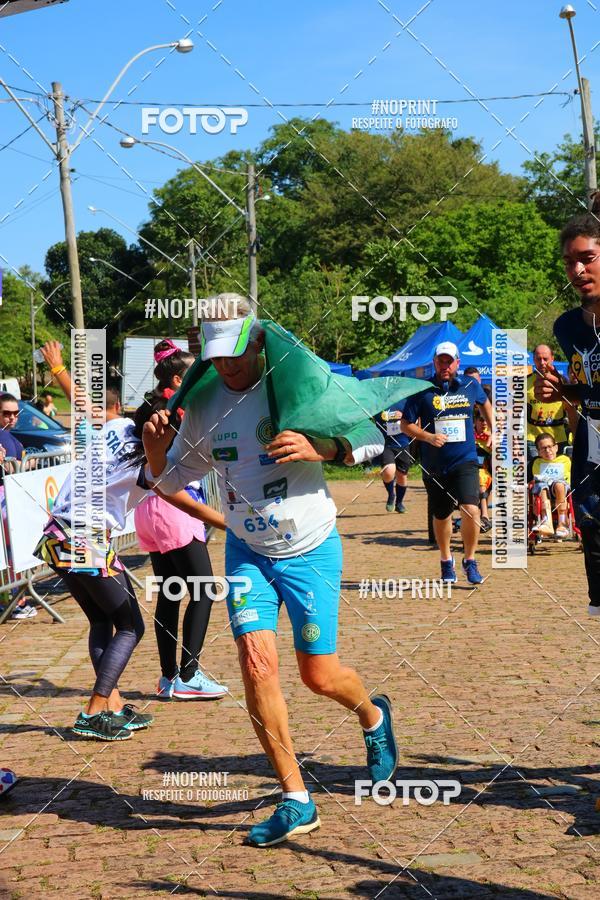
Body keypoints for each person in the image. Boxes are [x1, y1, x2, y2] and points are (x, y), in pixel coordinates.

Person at [143, 294, 400, 847]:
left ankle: (373, 715)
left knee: (318, 676)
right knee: (256, 664)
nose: (226, 365)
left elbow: (376, 440)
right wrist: (156, 451)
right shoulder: (204, 403)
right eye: (215, 356)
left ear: (257, 340)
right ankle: (295, 798)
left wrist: (321, 445)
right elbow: (166, 485)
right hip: (247, 553)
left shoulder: (296, 379)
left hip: (310, 547)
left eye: (235, 353)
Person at [33, 346, 223, 740]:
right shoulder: (148, 467)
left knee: (103, 620)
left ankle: (114, 704)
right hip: (85, 536)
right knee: (131, 625)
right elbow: (178, 497)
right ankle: (94, 710)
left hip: (55, 534)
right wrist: (227, 521)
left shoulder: (116, 428)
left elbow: (84, 407)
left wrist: (58, 367)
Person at [134, 339, 227, 701]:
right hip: (174, 504)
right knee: (204, 590)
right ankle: (189, 674)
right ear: (175, 379)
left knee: (171, 593)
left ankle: (168, 677)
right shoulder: (172, 410)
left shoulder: (150, 407)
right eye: (192, 376)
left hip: (149, 509)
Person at [534, 202, 600, 615]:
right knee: (593, 533)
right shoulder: (566, 327)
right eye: (569, 262)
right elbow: (588, 393)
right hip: (591, 452)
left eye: (587, 258)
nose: (577, 270)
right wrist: (562, 390)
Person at [401, 341, 493, 585]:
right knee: (441, 516)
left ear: (457, 363)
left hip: (465, 460)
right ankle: (446, 559)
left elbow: (484, 402)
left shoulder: (470, 385)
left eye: (449, 361)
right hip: (435, 464)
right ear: (434, 362)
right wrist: (428, 437)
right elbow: (405, 424)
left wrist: (494, 429)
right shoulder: (422, 390)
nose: (445, 365)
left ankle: (470, 560)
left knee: (471, 509)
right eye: (440, 360)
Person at [527, 345, 571, 460]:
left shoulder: (562, 381)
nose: (542, 362)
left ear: (552, 358)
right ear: (533, 360)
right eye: (538, 359)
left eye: (545, 359)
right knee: (536, 475)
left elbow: (571, 411)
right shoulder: (525, 382)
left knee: (559, 475)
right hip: (533, 440)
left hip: (558, 439)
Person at [530, 432, 571, 539]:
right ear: (538, 452)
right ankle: (546, 521)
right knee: (542, 486)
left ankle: (562, 523)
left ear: (556, 447)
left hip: (561, 489)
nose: (547, 451)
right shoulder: (537, 462)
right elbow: (537, 478)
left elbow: (566, 477)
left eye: (549, 447)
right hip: (544, 491)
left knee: (559, 484)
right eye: (543, 448)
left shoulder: (565, 460)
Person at [374, 402, 411, 513]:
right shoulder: (379, 402)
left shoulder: (405, 401)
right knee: (389, 471)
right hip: (385, 444)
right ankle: (391, 495)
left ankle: (399, 503)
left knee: (402, 476)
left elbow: (414, 418)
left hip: (402, 444)